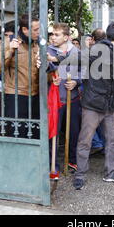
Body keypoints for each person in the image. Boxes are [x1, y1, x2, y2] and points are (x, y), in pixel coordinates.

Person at [72, 22, 114, 190]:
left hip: (110, 106)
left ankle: (111, 172)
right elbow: (79, 58)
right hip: (93, 105)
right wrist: (55, 59)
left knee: (112, 140)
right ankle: (80, 174)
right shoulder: (98, 49)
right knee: (85, 141)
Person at [0, 14, 41, 138]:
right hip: (15, 97)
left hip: (35, 96)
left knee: (34, 136)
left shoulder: (38, 44)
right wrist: (10, 50)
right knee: (17, 135)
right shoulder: (9, 41)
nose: (38, 32)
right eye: (35, 30)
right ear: (25, 30)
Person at [47, 22, 82, 178]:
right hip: (54, 100)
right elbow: (40, 72)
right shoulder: (47, 51)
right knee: (53, 132)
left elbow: (84, 72)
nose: (53, 37)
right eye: (52, 34)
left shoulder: (76, 52)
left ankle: (72, 160)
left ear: (66, 37)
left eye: (57, 34)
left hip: (72, 99)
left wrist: (76, 82)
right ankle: (53, 164)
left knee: (74, 132)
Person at [0, 26, 15, 135]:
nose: (8, 38)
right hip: (0, 89)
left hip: (13, 90)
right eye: (5, 36)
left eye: (10, 36)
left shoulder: (16, 49)